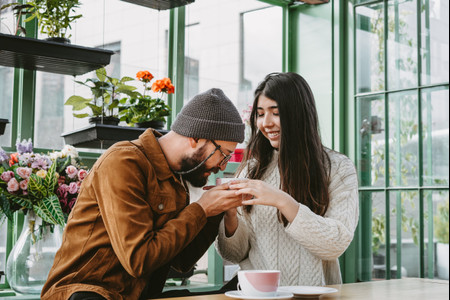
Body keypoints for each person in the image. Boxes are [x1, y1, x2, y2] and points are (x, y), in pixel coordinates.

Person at [41, 88, 246, 300]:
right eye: (223, 155)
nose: (222, 167)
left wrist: (215, 212)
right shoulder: (123, 161)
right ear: (195, 137)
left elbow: (182, 261)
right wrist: (201, 209)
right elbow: (138, 260)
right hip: (87, 293)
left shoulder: (176, 178)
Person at [215, 72, 359, 286]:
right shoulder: (250, 171)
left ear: (299, 113)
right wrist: (229, 216)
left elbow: (335, 244)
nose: (266, 123)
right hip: (258, 296)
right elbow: (235, 254)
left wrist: (281, 201)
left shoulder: (337, 168)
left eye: (276, 113)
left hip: (316, 295)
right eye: (260, 114)